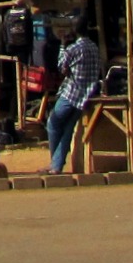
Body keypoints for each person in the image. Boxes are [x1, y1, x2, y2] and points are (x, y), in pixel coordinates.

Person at [47, 25, 99, 175]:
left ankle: (55, 163)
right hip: (87, 95)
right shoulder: (94, 47)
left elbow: (61, 66)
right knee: (67, 130)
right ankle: (56, 165)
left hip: (71, 94)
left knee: (53, 123)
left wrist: (63, 45)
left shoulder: (74, 48)